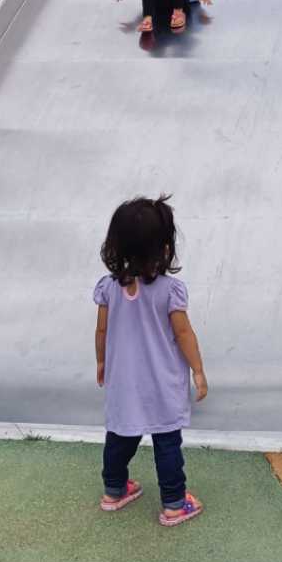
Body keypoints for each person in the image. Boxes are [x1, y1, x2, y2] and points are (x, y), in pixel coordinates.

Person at [94, 196, 207, 527]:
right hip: (162, 383)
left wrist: (102, 363)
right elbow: (184, 334)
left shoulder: (108, 288)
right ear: (164, 248)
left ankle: (114, 491)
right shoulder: (171, 291)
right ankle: (174, 503)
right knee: (167, 442)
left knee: (119, 436)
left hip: (122, 383)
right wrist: (198, 371)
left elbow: (101, 330)